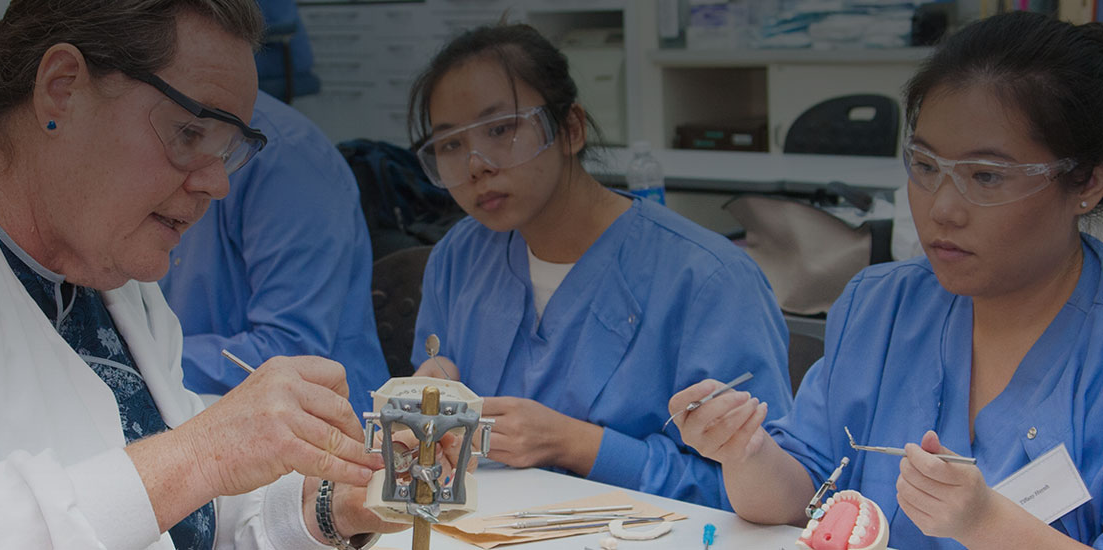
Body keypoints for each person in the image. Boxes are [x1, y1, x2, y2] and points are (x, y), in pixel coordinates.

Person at [0, 1, 424, 548]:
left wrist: (330, 500)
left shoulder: (102, 260)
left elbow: (180, 513)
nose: (218, 182)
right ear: (63, 88)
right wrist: (201, 452)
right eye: (191, 132)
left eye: (228, 149)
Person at [669, 12, 1103, 549]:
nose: (941, 208)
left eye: (986, 176)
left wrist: (986, 524)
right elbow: (801, 495)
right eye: (924, 165)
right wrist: (743, 451)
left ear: (1085, 181)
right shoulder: (884, 307)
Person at [405, 23, 793, 509]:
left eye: (501, 129)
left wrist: (577, 444)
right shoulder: (459, 258)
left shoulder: (708, 279)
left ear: (570, 129)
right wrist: (428, 389)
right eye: (450, 145)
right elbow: (434, 377)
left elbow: (773, 497)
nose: (477, 165)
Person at [160, 88, 388, 417]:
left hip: (322, 428)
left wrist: (148, 357)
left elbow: (290, 353)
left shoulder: (288, 159)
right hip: (202, 410)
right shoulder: (162, 130)